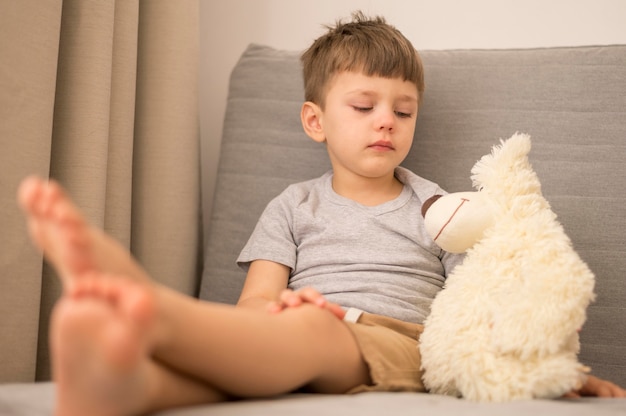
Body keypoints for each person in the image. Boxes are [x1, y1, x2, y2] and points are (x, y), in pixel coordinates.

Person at [17, 11, 625, 416]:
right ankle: (131, 386)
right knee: (270, 352)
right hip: (303, 330)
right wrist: (281, 306)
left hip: (403, 344)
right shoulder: (292, 206)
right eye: (363, 105)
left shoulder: (437, 205)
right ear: (316, 121)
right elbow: (253, 304)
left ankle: (152, 309)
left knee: (309, 335)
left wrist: (543, 366)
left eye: (403, 110)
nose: (386, 120)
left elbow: (484, 296)